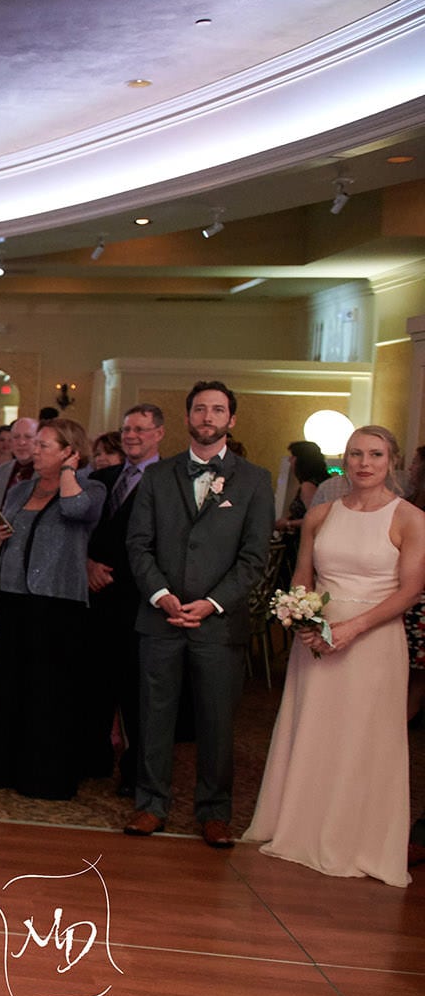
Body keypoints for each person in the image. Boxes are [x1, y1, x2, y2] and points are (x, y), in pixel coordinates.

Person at [246, 427, 425, 885]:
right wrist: (304, 619)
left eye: (376, 454)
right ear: (343, 460)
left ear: (393, 461)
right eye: (355, 454)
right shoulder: (321, 515)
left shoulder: (409, 518)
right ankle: (299, 828)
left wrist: (350, 629)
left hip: (374, 642)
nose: (364, 463)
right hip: (317, 643)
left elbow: (410, 590)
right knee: (314, 731)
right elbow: (304, 576)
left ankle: (354, 838)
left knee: (363, 738)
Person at [124, 379, 275, 844]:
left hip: (218, 623)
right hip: (160, 617)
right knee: (154, 718)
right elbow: (138, 544)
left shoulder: (254, 480)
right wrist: (161, 594)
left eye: (217, 410)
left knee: (216, 721)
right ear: (187, 417)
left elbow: (255, 557)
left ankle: (215, 811)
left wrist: (211, 603)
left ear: (231, 419)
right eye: (199, 409)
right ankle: (151, 804)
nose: (207, 417)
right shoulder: (157, 476)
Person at [0, 419, 105, 800]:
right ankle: (5, 767)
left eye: (45, 446)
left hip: (58, 604)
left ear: (70, 451)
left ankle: (45, 776)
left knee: (49, 692)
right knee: (11, 687)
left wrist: (69, 471)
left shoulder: (91, 488)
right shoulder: (20, 491)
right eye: (34, 444)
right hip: (16, 598)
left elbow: (74, 511)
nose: (34, 451)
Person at [85, 402, 164, 795]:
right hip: (97, 596)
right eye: (127, 430)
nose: (132, 436)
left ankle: (136, 774)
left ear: (159, 435)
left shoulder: (168, 479)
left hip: (140, 599)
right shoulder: (104, 477)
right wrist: (87, 564)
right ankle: (94, 759)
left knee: (137, 693)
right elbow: (82, 530)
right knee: (96, 683)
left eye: (140, 430)